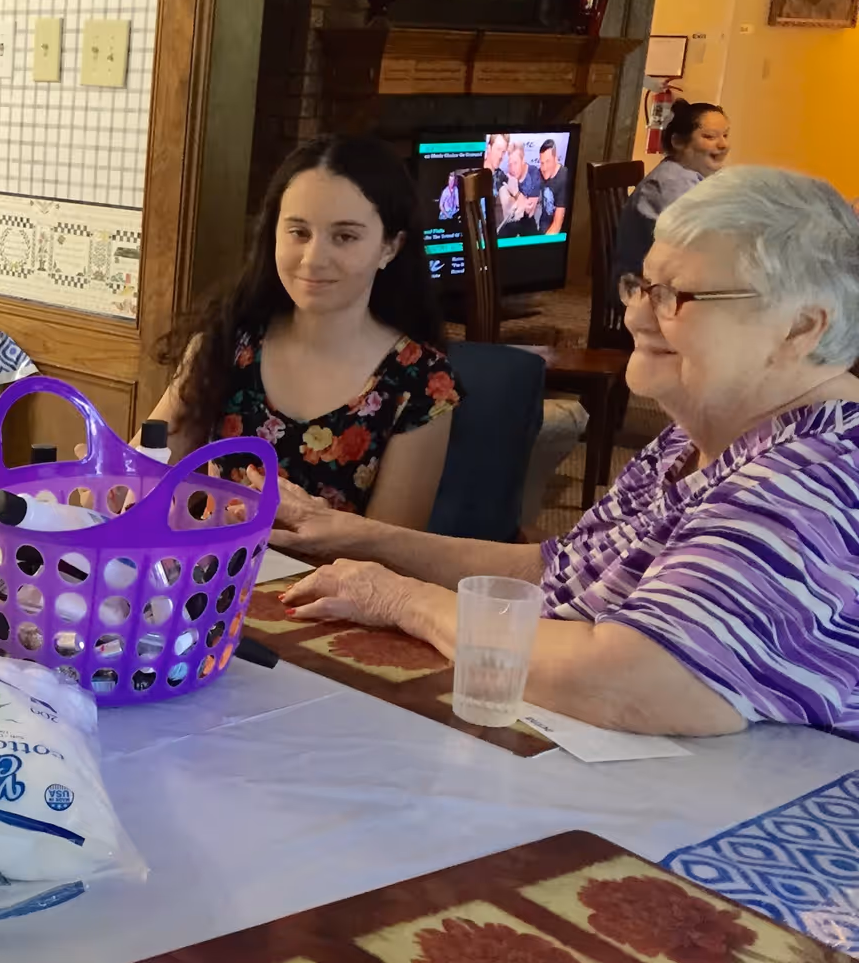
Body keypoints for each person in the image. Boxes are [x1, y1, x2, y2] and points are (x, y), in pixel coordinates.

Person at [264, 167, 859, 739]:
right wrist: (354, 535)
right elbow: (560, 568)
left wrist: (403, 599)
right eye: (642, 285)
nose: (637, 315)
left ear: (799, 328)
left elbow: (633, 681)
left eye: (678, 296)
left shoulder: (820, 477)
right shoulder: (698, 436)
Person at [142, 135, 462, 525]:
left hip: (337, 585)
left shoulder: (424, 385)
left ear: (390, 248)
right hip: (210, 578)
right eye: (298, 232)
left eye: (345, 236)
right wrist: (110, 479)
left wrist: (318, 526)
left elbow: (390, 552)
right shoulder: (228, 341)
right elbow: (149, 464)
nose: (313, 259)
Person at [613, 100, 730, 277]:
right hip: (645, 290)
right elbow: (696, 246)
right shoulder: (670, 184)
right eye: (709, 137)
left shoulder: (692, 176)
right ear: (678, 142)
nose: (723, 145)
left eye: (725, 136)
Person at [498, 141, 544, 238]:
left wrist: (516, 193)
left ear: (523, 161)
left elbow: (529, 211)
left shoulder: (533, 173)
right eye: (510, 164)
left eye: (515, 163)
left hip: (528, 222)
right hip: (511, 222)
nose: (512, 168)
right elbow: (509, 212)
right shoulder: (505, 177)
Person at [536, 138, 569, 235]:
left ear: (556, 159)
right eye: (542, 163)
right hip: (543, 228)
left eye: (548, 162)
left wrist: (543, 246)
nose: (544, 168)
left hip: (557, 235)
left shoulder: (564, 178)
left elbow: (557, 225)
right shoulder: (540, 173)